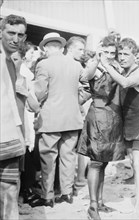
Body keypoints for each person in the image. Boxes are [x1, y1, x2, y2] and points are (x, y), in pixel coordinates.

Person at [29, 32, 99, 208]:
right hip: (72, 118)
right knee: (68, 157)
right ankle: (67, 194)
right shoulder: (75, 65)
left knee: (48, 159)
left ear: (45, 47)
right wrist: (76, 102)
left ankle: (47, 196)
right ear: (61, 47)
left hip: (50, 119)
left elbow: (39, 92)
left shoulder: (43, 64)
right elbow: (87, 88)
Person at [101, 37, 139, 218]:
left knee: (138, 165)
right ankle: (137, 203)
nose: (121, 57)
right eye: (120, 53)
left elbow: (124, 83)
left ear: (136, 56)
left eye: (126, 54)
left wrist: (106, 65)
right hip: (127, 126)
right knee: (132, 163)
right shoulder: (125, 71)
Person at [77, 36, 125, 220]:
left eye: (113, 52)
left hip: (113, 118)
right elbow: (84, 77)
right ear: (101, 50)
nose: (111, 55)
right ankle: (92, 206)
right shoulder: (95, 67)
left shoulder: (116, 68)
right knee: (96, 162)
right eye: (107, 51)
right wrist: (98, 59)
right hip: (97, 116)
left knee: (104, 162)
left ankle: (100, 201)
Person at [0, 14, 27, 220]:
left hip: (10, 137)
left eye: (20, 34)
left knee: (9, 189)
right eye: (11, 32)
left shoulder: (12, 62)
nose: (15, 39)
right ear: (1, 32)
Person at [11, 41, 41, 205]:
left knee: (24, 161)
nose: (12, 62)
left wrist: (25, 93)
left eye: (16, 59)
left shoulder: (24, 79)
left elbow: (35, 106)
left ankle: (24, 191)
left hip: (23, 126)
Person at [65, 36, 90, 196]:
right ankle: (70, 188)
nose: (82, 53)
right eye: (80, 49)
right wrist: (79, 102)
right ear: (70, 48)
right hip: (72, 114)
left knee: (64, 153)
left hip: (62, 112)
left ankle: (61, 189)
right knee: (69, 153)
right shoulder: (75, 66)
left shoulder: (69, 64)